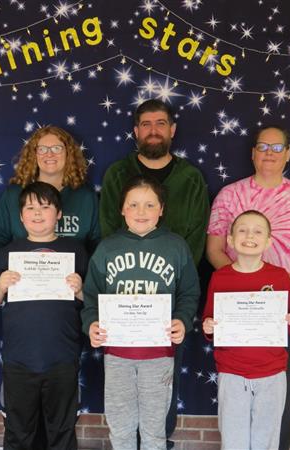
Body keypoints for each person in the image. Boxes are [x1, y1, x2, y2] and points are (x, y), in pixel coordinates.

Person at [205, 125, 290, 450]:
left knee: (277, 383)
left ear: (288, 154)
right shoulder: (229, 195)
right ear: (252, 153)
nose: (269, 154)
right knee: (236, 384)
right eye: (262, 147)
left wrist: (278, 289)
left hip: (286, 299)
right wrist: (243, 282)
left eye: (277, 148)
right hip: (235, 297)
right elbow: (214, 249)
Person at [99, 99, 209, 448]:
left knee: (159, 394)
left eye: (161, 123)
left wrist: (172, 291)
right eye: (145, 124)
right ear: (136, 131)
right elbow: (107, 233)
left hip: (166, 306)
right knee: (121, 405)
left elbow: (196, 237)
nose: (153, 130)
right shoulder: (118, 173)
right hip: (122, 307)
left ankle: (159, 441)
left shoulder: (190, 177)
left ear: (172, 130)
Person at [82, 175, 200, 450]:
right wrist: (91, 324)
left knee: (154, 429)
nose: (141, 212)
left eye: (149, 205)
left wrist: (182, 320)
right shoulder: (108, 247)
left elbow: (189, 292)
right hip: (118, 354)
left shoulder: (176, 246)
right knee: (120, 426)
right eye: (133, 205)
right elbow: (91, 295)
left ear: (162, 209)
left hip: (159, 354)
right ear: (122, 209)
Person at [0, 181, 88, 450]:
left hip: (62, 357)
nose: (38, 213)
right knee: (18, 433)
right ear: (20, 216)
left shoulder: (75, 250)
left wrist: (79, 290)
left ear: (59, 213)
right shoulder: (9, 252)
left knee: (62, 432)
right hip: (19, 359)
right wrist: (0, 285)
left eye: (45, 207)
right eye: (30, 208)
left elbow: (94, 301)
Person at [202, 209, 290, 450]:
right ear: (230, 239)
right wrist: (209, 326)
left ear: (268, 241)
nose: (250, 236)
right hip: (232, 372)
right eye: (242, 230)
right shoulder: (220, 278)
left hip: (272, 373)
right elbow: (209, 319)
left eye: (258, 231)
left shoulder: (279, 277)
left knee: (266, 440)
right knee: (233, 439)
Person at [0, 125, 100, 259]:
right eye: (42, 149)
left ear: (69, 153)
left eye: (57, 148)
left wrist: (87, 274)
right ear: (34, 154)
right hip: (20, 276)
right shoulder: (14, 194)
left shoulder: (86, 196)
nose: (49, 154)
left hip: (73, 277)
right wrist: (2, 269)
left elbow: (97, 242)